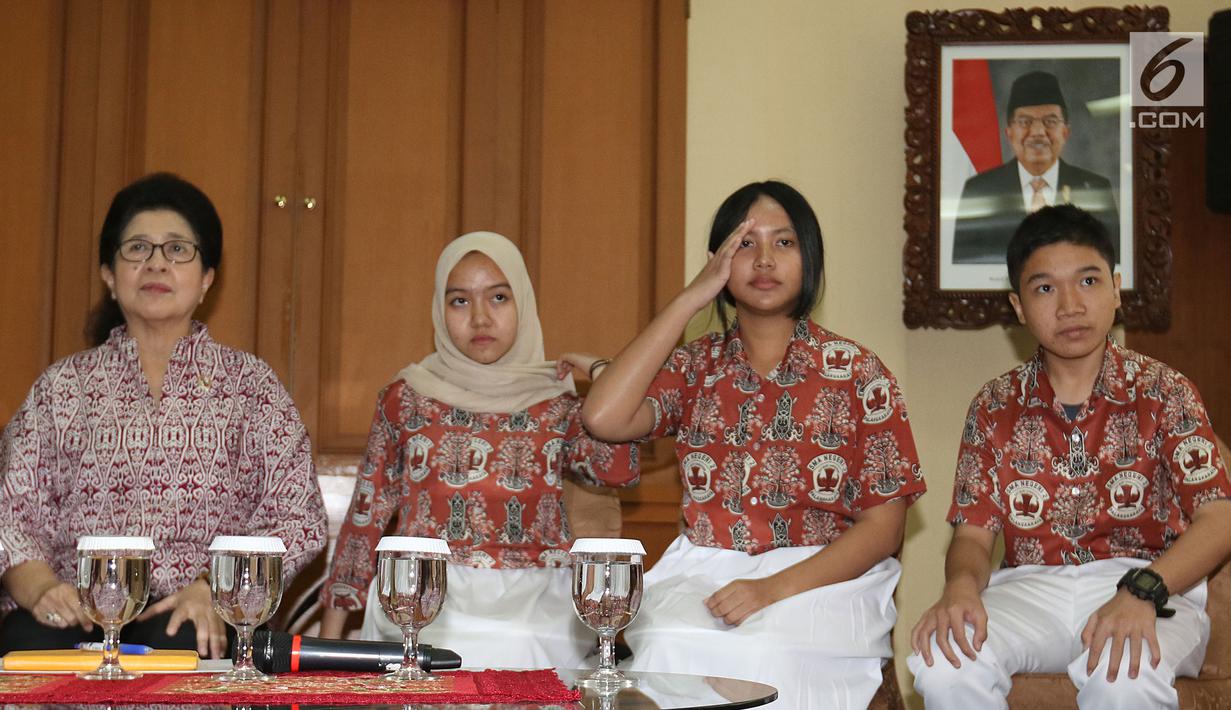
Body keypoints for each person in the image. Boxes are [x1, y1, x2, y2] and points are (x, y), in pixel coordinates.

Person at [581, 181, 926, 709]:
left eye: (784, 243)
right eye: (745, 243)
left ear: (810, 258)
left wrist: (770, 590)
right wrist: (692, 296)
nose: (764, 259)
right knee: (673, 643)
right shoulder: (697, 366)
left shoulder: (858, 373)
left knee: (766, 650)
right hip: (704, 573)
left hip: (823, 580)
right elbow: (604, 417)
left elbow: (885, 527)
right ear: (718, 261)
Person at [910, 204, 1231, 709]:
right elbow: (973, 534)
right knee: (944, 661)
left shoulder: (1166, 391)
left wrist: (1142, 590)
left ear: (1115, 288)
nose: (1069, 306)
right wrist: (960, 587)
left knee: (1123, 673)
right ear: (1018, 307)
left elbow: (1219, 519)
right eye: (1044, 288)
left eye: (1087, 281)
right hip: (1030, 588)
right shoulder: (994, 405)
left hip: (1149, 584)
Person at [0, 173, 328, 658]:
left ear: (207, 278)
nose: (156, 262)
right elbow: (12, 512)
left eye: (178, 250)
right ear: (110, 275)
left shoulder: (251, 387)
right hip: (76, 606)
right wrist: (44, 590)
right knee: (30, 649)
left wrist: (217, 591)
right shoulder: (60, 388)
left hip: (195, 606)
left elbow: (298, 515)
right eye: (137, 248)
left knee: (182, 646)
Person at [317, 231, 635, 669]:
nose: (481, 318)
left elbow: (618, 469)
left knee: (522, 645)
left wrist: (601, 371)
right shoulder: (405, 398)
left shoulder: (559, 405)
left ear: (522, 302)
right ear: (439, 309)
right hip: (421, 591)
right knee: (427, 639)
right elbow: (365, 515)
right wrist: (330, 649)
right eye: (460, 301)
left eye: (499, 298)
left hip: (538, 597)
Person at [952, 70, 1120, 264]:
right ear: (1009, 133)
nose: (1038, 132)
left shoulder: (1094, 188)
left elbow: (1114, 263)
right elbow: (962, 266)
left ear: (1065, 132)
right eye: (1025, 122)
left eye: (1050, 121)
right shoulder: (980, 189)